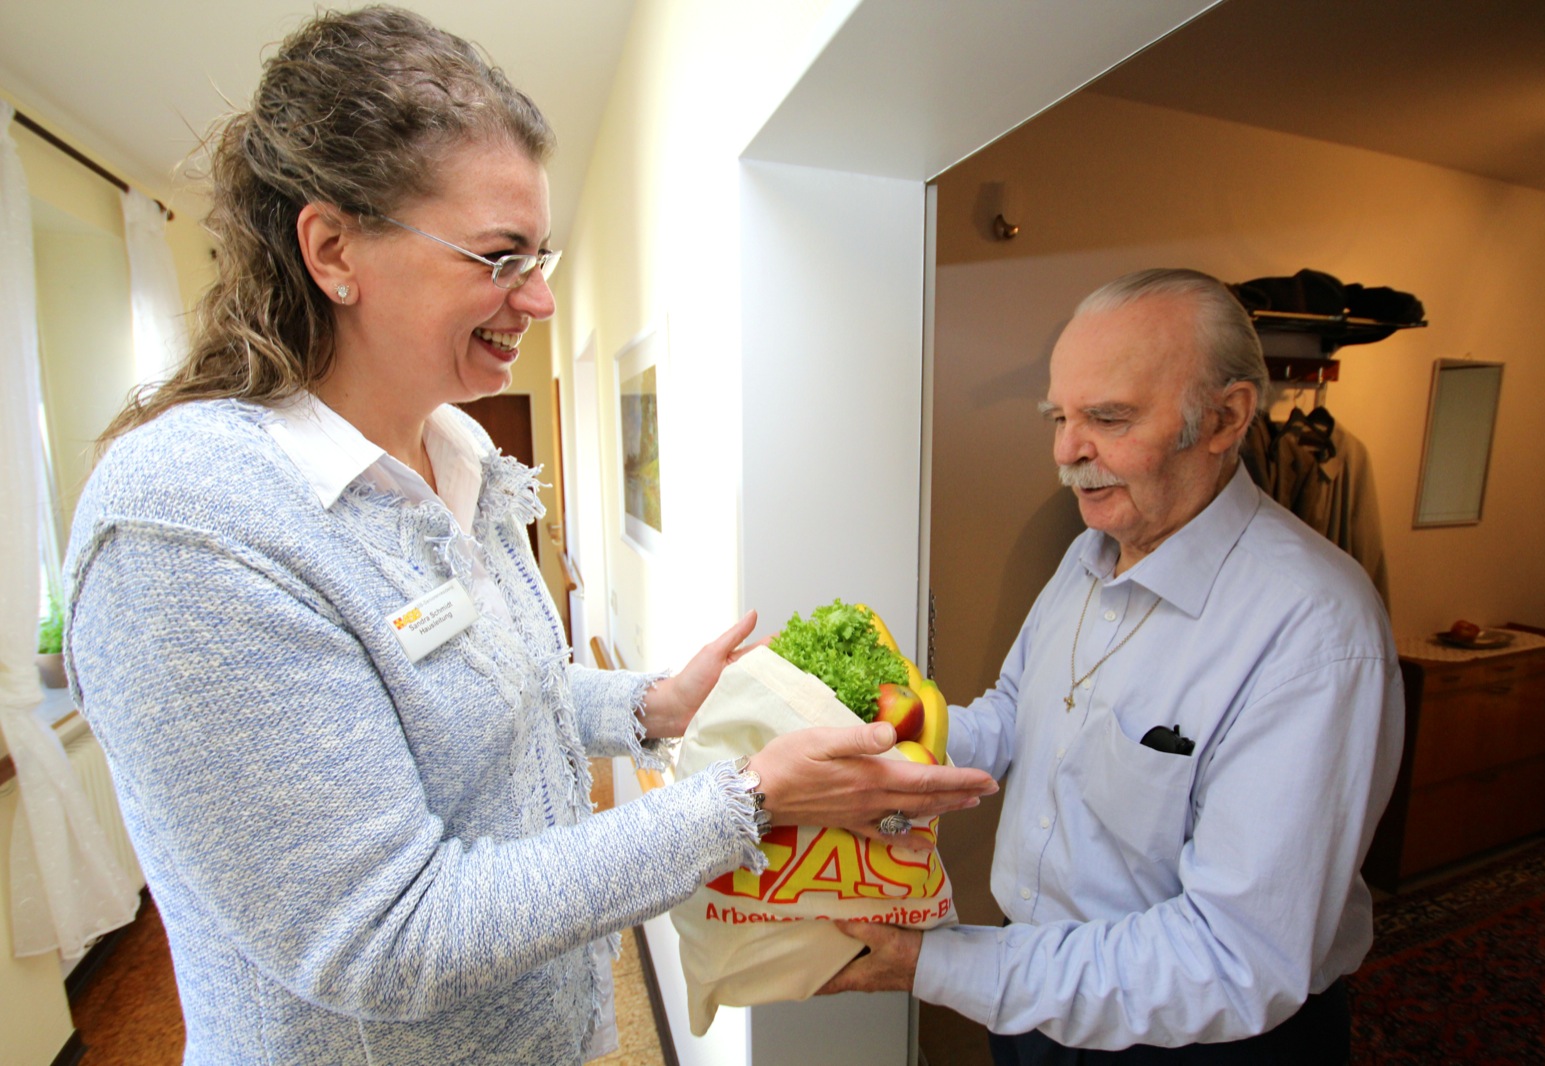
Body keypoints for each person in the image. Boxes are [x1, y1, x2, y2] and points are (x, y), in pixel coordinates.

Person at [62, 8, 995, 1064]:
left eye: (539, 256)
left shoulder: (456, 454)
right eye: (502, 257)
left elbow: (505, 693)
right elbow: (381, 934)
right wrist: (745, 800)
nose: (540, 298)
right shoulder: (189, 525)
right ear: (332, 249)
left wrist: (648, 704)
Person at [820, 268, 1404, 1063]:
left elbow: (1234, 958)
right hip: (1034, 995)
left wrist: (940, 963)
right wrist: (890, 751)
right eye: (1059, 416)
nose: (1067, 451)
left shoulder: (1315, 632)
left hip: (1196, 1036)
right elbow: (1017, 709)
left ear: (1227, 418)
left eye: (1108, 417)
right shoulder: (1086, 555)